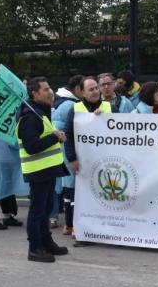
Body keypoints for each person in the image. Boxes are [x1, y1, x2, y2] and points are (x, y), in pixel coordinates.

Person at [18, 77, 70, 263]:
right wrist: (55, 138)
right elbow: (31, 146)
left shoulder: (40, 112)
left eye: (50, 88)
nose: (51, 92)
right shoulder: (30, 116)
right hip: (38, 171)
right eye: (46, 89)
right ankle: (35, 248)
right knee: (37, 211)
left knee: (46, 209)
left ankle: (46, 242)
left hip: (48, 170)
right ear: (34, 93)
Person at [64, 76, 111, 246]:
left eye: (96, 88)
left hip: (106, 162)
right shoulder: (75, 109)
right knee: (83, 199)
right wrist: (72, 158)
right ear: (82, 92)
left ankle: (105, 231)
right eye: (90, 89)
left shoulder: (108, 106)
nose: (95, 91)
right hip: (84, 162)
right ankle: (82, 233)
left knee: (105, 197)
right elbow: (68, 135)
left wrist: (102, 117)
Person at [52, 75, 83, 236]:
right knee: (72, 189)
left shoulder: (61, 102)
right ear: (78, 89)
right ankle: (72, 224)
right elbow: (59, 131)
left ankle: (68, 225)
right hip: (70, 153)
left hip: (65, 153)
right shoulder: (70, 106)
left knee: (67, 188)